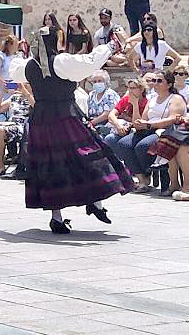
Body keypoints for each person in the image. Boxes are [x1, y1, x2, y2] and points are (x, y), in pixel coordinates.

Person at [11, 25, 134, 233]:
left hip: (42, 119)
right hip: (64, 117)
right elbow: (90, 62)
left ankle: (59, 217)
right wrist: (113, 45)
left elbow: (13, 71)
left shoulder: (28, 65)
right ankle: (94, 203)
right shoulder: (60, 61)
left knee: (51, 165)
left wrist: (22, 54)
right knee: (88, 156)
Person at [105, 71, 185, 193]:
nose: (155, 83)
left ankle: (148, 171)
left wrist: (150, 124)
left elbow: (173, 118)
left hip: (165, 131)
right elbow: (140, 121)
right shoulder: (152, 100)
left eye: (159, 81)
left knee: (143, 146)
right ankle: (142, 178)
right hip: (148, 129)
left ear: (169, 84)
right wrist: (135, 105)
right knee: (123, 144)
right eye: (154, 81)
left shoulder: (175, 99)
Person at [0, 82, 33, 177]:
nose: (23, 86)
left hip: (23, 126)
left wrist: (25, 92)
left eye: (27, 84)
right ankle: (0, 164)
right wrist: (0, 96)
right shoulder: (14, 97)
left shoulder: (34, 97)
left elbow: (35, 106)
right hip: (10, 123)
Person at [86, 70, 120, 136]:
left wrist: (92, 123)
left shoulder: (110, 94)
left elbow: (108, 114)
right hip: (92, 124)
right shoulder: (91, 94)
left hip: (107, 125)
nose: (97, 83)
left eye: (99, 81)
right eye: (95, 81)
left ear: (105, 82)